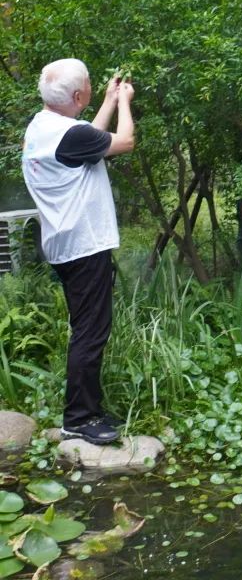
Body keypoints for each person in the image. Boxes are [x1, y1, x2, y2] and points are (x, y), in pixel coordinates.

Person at [22, 58, 135, 445]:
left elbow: (86, 138)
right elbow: (124, 142)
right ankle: (81, 418)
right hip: (85, 246)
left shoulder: (44, 127)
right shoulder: (67, 135)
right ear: (76, 95)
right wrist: (123, 104)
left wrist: (105, 99)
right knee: (91, 332)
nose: (90, 86)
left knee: (86, 329)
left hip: (65, 244)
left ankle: (88, 409)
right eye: (88, 83)